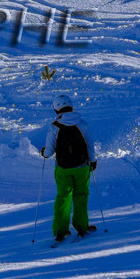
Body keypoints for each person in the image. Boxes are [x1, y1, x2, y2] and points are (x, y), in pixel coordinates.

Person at [42, 96, 98, 242]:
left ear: (56, 109)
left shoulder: (55, 126)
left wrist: (43, 152)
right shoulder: (83, 124)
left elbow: (48, 152)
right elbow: (90, 145)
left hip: (63, 168)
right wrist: (93, 161)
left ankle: (60, 230)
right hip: (82, 167)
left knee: (63, 197)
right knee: (81, 195)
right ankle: (81, 226)